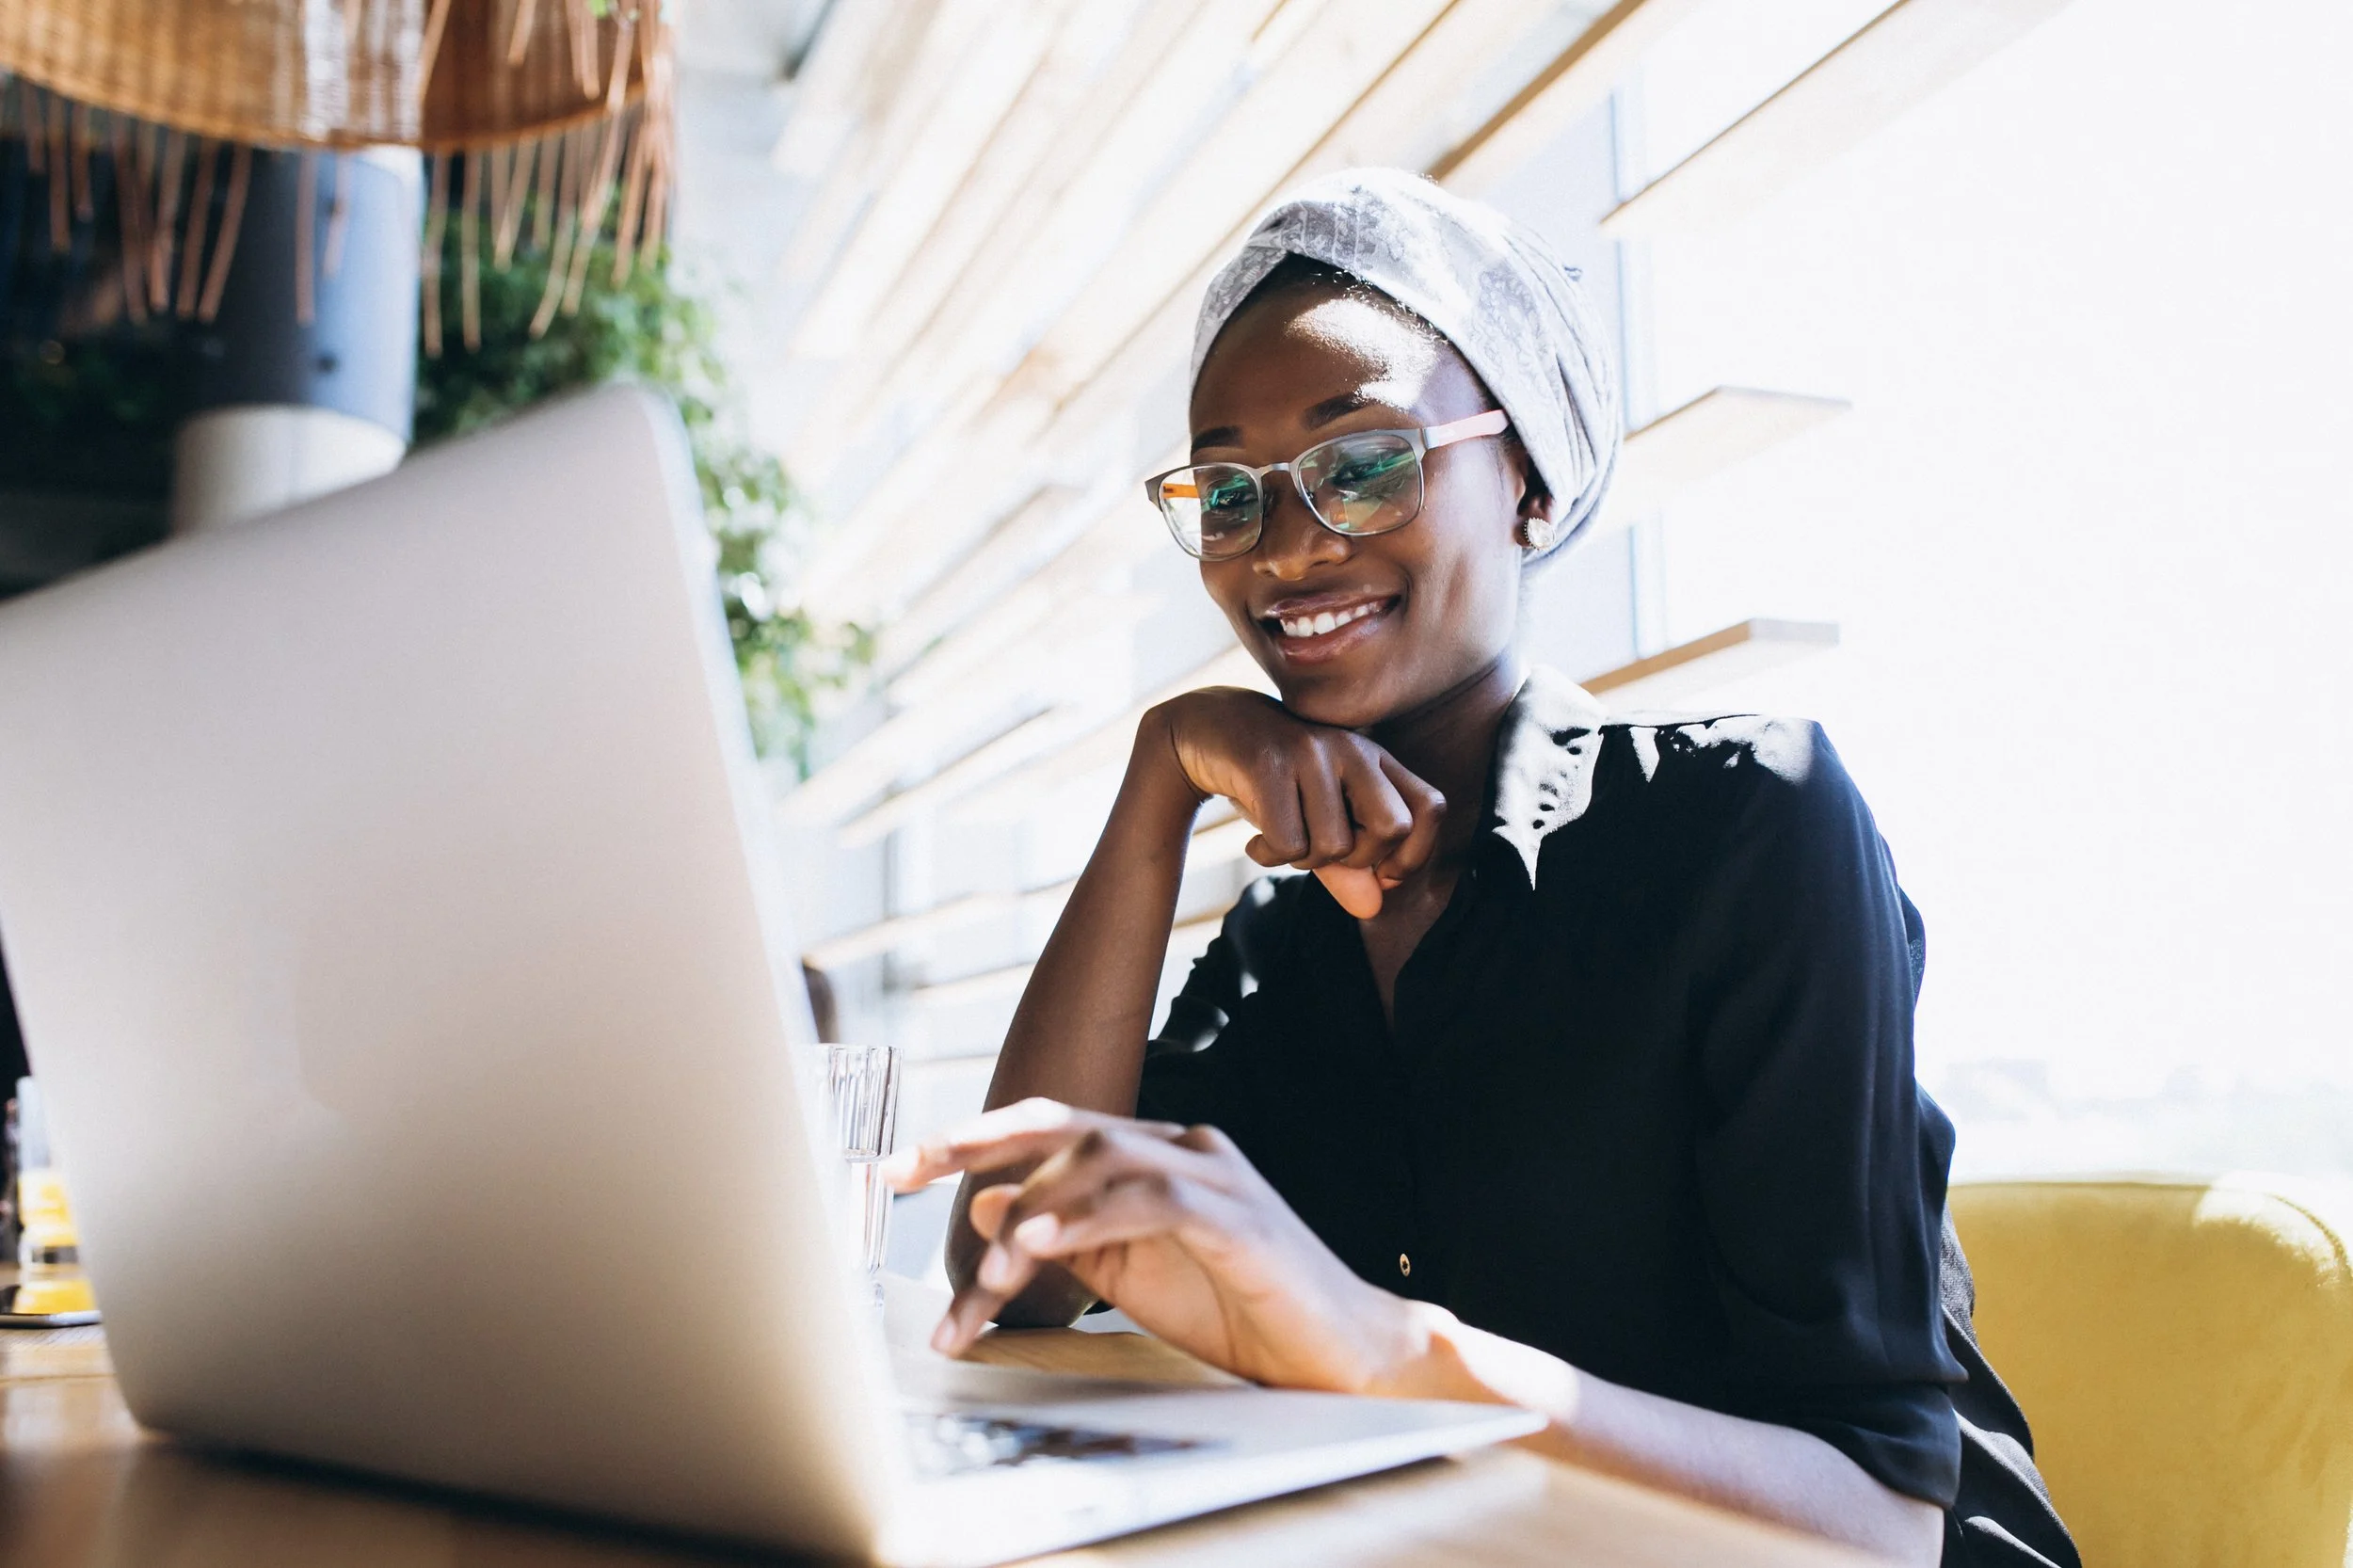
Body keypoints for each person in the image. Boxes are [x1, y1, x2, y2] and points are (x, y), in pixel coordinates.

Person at [884, 168, 2077, 1568]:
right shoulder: (1287, 941)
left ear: (1522, 477)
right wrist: (1159, 781)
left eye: (1367, 460)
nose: (1285, 544)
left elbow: (1880, 1518)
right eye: (1228, 493)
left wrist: (1387, 1355)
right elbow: (1005, 1266)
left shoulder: (1748, 819)